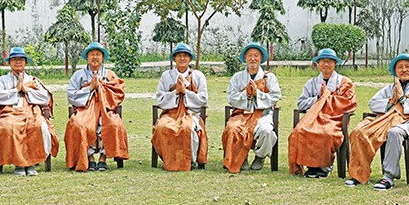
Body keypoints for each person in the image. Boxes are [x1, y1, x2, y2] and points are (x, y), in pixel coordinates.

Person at [346, 54, 409, 190]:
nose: (403, 70)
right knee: (360, 131)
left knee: (394, 132)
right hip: (387, 121)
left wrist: (403, 100)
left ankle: (388, 177)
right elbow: (373, 103)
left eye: (407, 67)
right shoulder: (390, 88)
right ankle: (359, 174)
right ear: (395, 71)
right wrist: (391, 101)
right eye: (400, 67)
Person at [289, 48, 357, 178]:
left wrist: (327, 98)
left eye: (330, 61)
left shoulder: (344, 82)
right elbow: (301, 103)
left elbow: (349, 103)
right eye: (323, 61)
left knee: (326, 132)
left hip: (334, 120)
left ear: (335, 63)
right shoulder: (312, 83)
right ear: (318, 63)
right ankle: (311, 166)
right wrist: (318, 99)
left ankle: (325, 167)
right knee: (299, 131)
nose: (326, 64)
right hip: (313, 119)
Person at [0, 47, 59, 176]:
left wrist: (26, 90)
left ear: (25, 62)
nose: (18, 62)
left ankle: (32, 163)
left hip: (32, 112)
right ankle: (19, 163)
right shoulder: (1, 81)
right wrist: (15, 90)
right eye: (15, 60)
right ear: (9, 62)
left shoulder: (33, 81)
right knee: (10, 127)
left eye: (21, 60)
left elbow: (45, 98)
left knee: (38, 126)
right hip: (10, 112)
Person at [65, 42, 129, 172]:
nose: (95, 57)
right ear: (87, 57)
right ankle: (90, 158)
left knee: (113, 124)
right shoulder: (78, 75)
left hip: (105, 109)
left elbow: (118, 93)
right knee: (79, 124)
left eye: (98, 54)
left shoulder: (110, 75)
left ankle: (103, 158)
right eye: (92, 54)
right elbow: (71, 95)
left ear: (103, 57)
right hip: (85, 109)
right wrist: (89, 88)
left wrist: (102, 90)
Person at [222, 42, 281, 173]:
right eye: (249, 55)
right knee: (232, 128)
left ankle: (260, 157)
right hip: (242, 114)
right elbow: (231, 97)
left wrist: (257, 93)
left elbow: (275, 96)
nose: (252, 58)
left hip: (263, 115)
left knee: (266, 131)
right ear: (245, 58)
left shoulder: (269, 77)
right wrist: (246, 94)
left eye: (256, 55)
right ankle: (240, 157)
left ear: (261, 58)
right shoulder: (237, 77)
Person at [151, 43, 208, 171]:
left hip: (191, 113)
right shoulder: (167, 76)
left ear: (190, 59)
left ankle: (190, 160)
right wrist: (176, 92)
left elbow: (203, 99)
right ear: (174, 59)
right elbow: (160, 98)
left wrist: (185, 92)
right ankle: (168, 159)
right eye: (179, 56)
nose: (182, 58)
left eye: (185, 56)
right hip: (170, 113)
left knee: (187, 127)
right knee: (162, 127)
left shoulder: (198, 76)